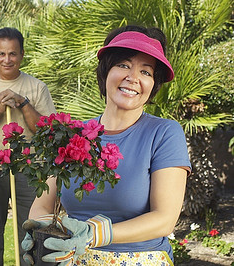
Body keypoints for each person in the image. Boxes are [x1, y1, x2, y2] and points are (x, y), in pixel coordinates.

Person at [24, 25, 191, 265]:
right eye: (123, 65)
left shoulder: (164, 133)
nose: (133, 78)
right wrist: (40, 234)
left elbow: (164, 219)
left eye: (146, 72)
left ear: (154, 85)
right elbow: (42, 205)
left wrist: (94, 235)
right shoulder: (71, 134)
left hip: (140, 258)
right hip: (72, 258)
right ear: (105, 72)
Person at [0, 27, 56, 266]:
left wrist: (23, 103)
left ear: (22, 55)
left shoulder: (37, 88)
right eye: (2, 54)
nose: (7, 60)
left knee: (31, 237)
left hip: (29, 171)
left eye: (13, 54)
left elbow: (47, 132)